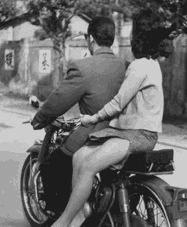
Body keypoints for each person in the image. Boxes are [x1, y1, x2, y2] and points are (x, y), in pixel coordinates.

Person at [36, 9, 174, 227]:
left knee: (88, 165)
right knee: (79, 156)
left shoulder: (140, 66)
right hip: (129, 132)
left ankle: (62, 223)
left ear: (137, 36)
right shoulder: (147, 64)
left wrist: (91, 119)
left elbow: (119, 102)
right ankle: (79, 212)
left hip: (137, 135)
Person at [31, 16, 127, 156]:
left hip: (94, 133)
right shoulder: (126, 66)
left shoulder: (82, 67)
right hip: (122, 133)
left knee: (52, 165)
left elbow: (60, 100)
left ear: (91, 39)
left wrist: (38, 119)